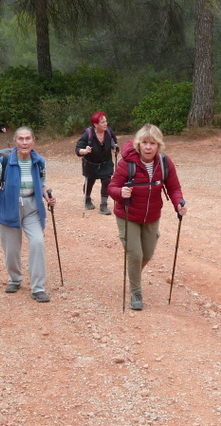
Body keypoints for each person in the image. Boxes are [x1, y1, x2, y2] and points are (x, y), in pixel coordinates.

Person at [108, 124, 186, 311]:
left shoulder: (165, 163)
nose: (148, 147)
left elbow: (174, 188)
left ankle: (133, 274)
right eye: (144, 143)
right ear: (138, 144)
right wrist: (121, 192)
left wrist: (179, 203)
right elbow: (111, 188)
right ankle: (136, 291)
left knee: (148, 254)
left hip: (152, 215)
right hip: (128, 215)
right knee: (135, 254)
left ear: (159, 145)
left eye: (152, 143)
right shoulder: (127, 163)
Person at [0, 127, 56, 303]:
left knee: (37, 242)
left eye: (27, 139)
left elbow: (42, 184)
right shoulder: (3, 161)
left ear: (33, 141)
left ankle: (38, 288)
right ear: (15, 141)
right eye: (21, 139)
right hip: (9, 205)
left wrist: (48, 196)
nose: (24, 142)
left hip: (32, 206)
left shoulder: (39, 162)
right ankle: (15, 279)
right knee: (11, 249)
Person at [75, 111, 119, 214]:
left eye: (105, 121)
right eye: (102, 122)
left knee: (107, 181)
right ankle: (87, 199)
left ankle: (103, 205)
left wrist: (115, 147)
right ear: (95, 124)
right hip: (91, 164)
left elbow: (114, 141)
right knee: (90, 182)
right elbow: (78, 149)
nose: (105, 124)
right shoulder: (88, 134)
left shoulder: (108, 131)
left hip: (106, 163)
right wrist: (85, 151)